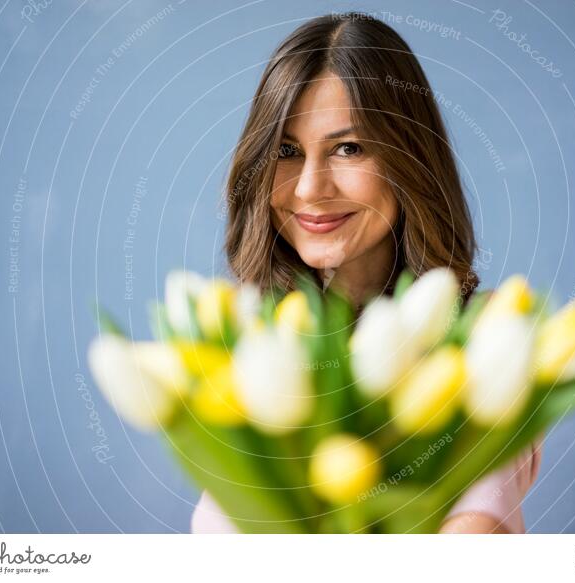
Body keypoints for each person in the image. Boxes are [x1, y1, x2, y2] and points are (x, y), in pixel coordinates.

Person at [193, 12, 543, 533]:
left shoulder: (486, 339)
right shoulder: (248, 338)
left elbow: (478, 528)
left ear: (410, 158)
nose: (310, 187)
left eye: (348, 148)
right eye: (287, 151)